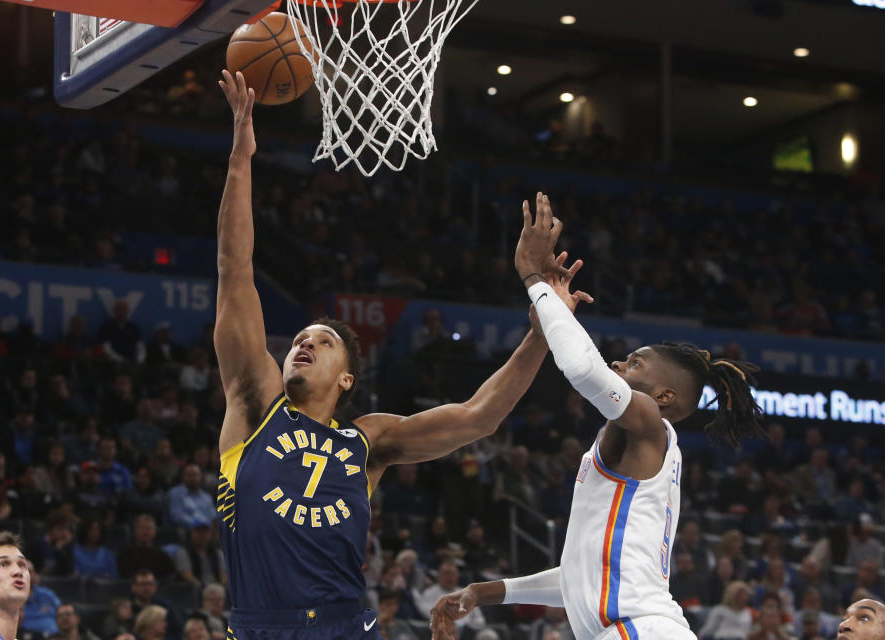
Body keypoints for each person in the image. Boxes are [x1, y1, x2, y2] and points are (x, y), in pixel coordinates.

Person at [213, 74, 578, 639]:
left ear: (348, 379)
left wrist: (541, 332)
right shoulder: (256, 404)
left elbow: (479, 417)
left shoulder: (368, 441)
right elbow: (235, 271)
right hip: (261, 626)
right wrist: (242, 154)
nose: (304, 343)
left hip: (346, 626)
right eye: (300, 340)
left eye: (323, 341)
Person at [430, 193, 764, 640]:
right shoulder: (640, 443)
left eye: (636, 363)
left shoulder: (648, 420)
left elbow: (582, 368)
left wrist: (533, 277)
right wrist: (485, 591)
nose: (620, 365)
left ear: (664, 395)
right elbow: (580, 575)